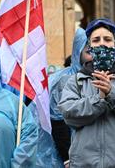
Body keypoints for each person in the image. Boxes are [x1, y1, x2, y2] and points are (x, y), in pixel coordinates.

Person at [58, 18, 115, 167]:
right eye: (96, 40)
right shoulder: (76, 81)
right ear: (89, 46)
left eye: (107, 39)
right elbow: (69, 115)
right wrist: (99, 99)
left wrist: (112, 93)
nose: (102, 43)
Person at [47, 28, 91, 167]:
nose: (94, 56)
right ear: (78, 52)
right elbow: (58, 121)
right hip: (73, 156)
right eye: (88, 51)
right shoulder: (65, 80)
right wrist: (67, 158)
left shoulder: (106, 77)